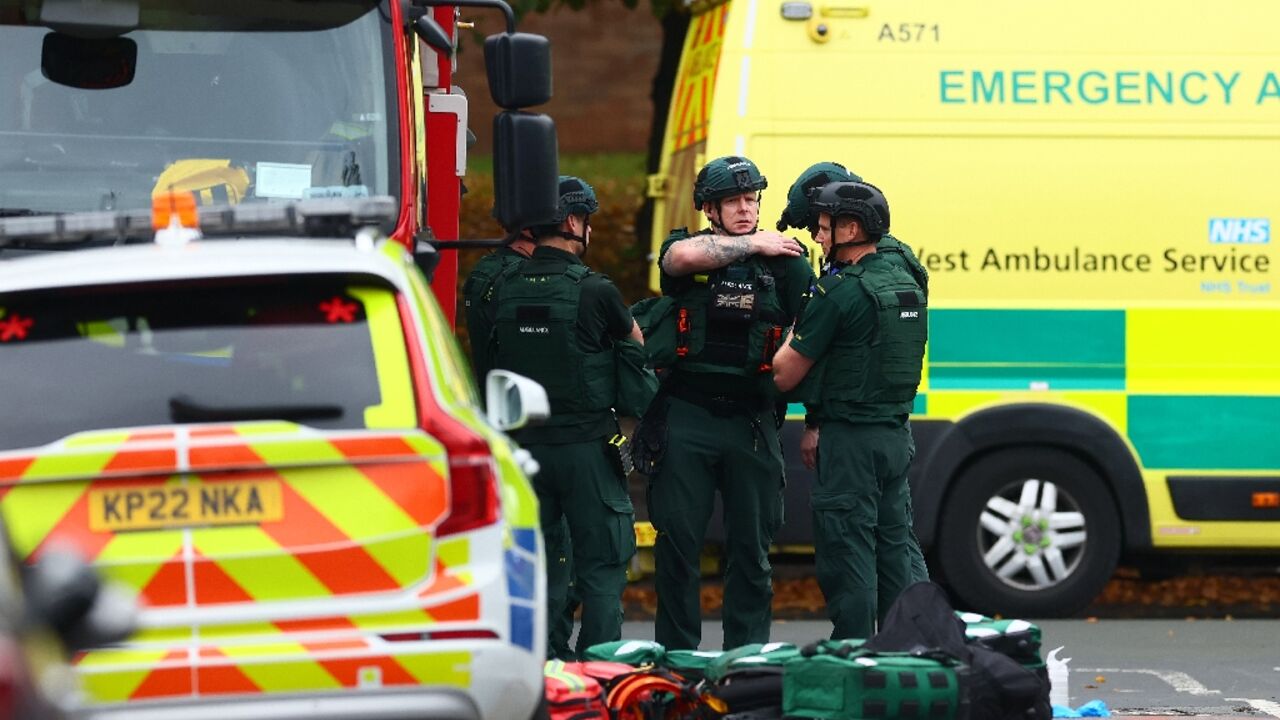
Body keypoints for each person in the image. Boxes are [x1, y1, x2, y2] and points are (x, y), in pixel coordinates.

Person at [648, 155, 814, 650]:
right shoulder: (687, 248)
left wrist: (815, 420)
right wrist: (749, 244)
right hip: (688, 415)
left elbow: (814, 339)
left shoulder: (786, 261)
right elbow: (677, 262)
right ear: (709, 209)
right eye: (732, 202)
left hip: (751, 420)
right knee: (677, 547)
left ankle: (746, 662)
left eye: (751, 200)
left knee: (752, 552)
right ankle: (678, 662)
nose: (745, 209)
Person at [491, 176, 653, 658]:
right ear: (572, 222)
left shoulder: (504, 286)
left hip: (527, 450)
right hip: (587, 449)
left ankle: (544, 670)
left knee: (536, 566)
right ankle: (598, 672)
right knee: (603, 567)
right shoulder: (595, 290)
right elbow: (635, 347)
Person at [772, 180, 928, 640]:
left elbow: (784, 374)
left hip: (850, 445)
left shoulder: (840, 292)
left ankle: (854, 659)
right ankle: (906, 654)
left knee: (849, 558)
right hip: (895, 437)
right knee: (894, 552)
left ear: (852, 228)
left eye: (824, 228)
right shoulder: (907, 280)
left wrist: (792, 328)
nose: (818, 238)